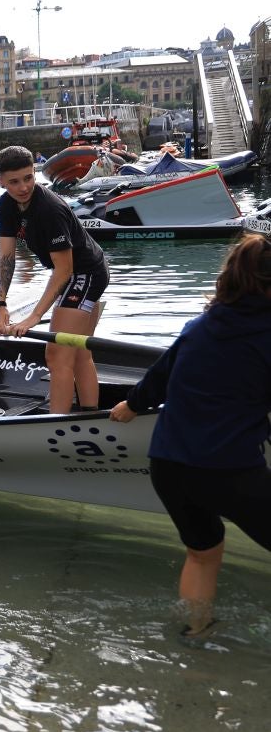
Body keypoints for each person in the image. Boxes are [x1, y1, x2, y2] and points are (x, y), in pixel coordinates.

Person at [108, 234, 271, 638]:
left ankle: (195, 632)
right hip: (229, 471)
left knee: (203, 553)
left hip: (169, 465)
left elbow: (157, 379)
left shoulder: (199, 326)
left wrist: (130, 407)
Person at [0, 144, 110, 414]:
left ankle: (57, 424)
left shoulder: (49, 210)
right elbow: (6, 257)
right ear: (1, 182)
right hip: (72, 273)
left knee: (56, 355)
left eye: (29, 177)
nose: (23, 187)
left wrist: (33, 317)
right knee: (78, 350)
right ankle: (91, 414)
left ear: (35, 172)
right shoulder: (6, 206)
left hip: (87, 272)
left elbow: (64, 271)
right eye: (14, 182)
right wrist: (1, 304)